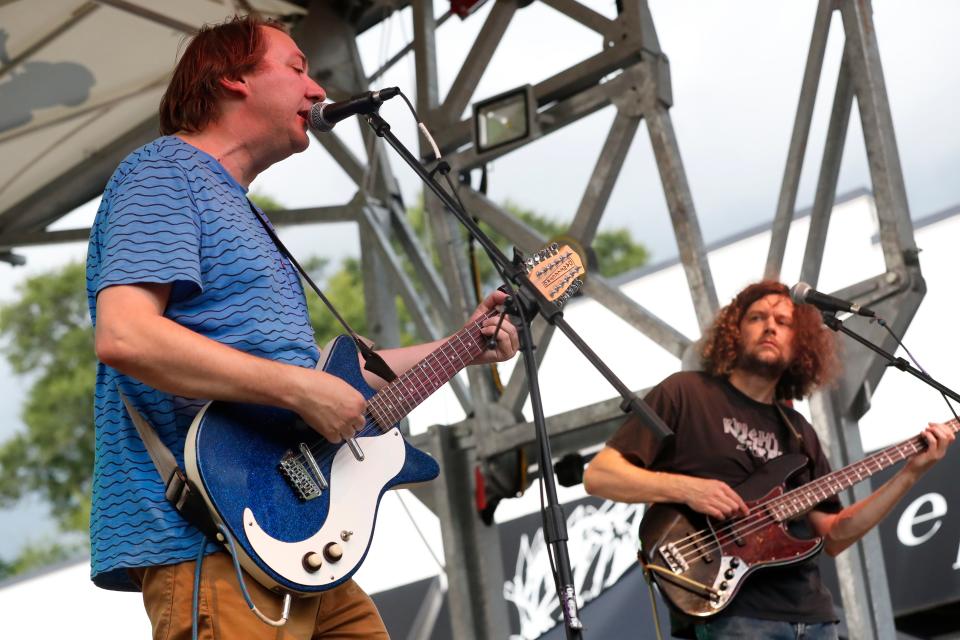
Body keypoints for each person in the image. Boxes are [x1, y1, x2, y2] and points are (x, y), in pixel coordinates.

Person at [86, 15, 519, 639]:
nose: (317, 90)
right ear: (232, 78)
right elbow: (125, 336)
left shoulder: (237, 209)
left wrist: (466, 344)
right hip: (210, 541)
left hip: (300, 543)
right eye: (296, 68)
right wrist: (298, 390)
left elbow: (327, 376)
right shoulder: (162, 173)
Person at [583, 280, 954, 639]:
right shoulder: (685, 393)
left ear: (800, 343)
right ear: (734, 331)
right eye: (757, 317)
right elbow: (600, 475)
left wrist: (910, 474)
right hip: (732, 614)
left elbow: (835, 534)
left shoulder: (797, 431)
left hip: (813, 617)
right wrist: (687, 488)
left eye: (784, 322)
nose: (770, 328)